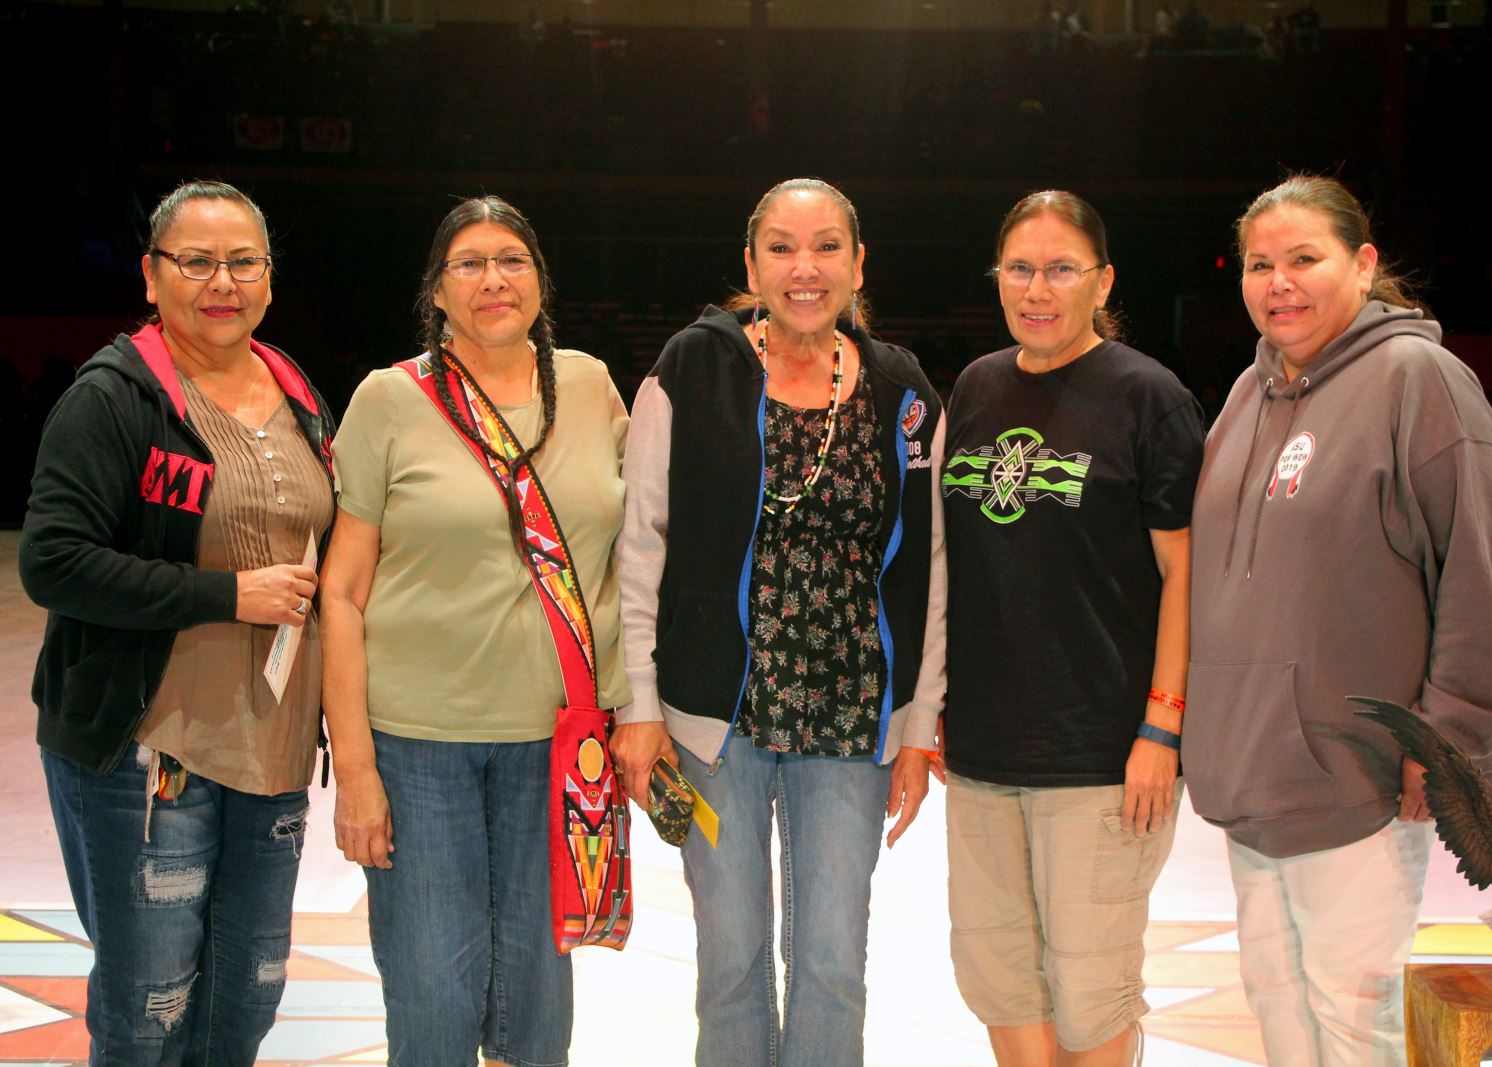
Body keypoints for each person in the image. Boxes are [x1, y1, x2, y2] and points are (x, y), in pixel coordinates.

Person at [1184, 175, 1492, 1067]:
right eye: (1261, 264)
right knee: (1279, 1012)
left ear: (1364, 263)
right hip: (1253, 772)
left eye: (1306, 258)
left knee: (1351, 1024)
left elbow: (1482, 574)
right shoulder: (1244, 397)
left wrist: (1447, 742)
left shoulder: (1420, 379)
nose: (1279, 282)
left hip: (1363, 776)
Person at [612, 177, 945, 1067]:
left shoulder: (901, 389)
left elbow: (929, 569)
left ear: (858, 262)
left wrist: (917, 721)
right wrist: (637, 705)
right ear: (751, 264)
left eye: (828, 246)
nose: (806, 268)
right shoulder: (690, 366)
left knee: (834, 963)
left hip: (850, 715)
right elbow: (640, 545)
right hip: (712, 720)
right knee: (731, 958)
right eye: (784, 248)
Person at [20, 179, 336, 1064]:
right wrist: (226, 595)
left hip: (270, 751)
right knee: (149, 1010)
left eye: (242, 262)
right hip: (148, 749)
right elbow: (52, 561)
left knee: (247, 994)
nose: (221, 281)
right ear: (152, 278)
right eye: (195, 262)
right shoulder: (114, 396)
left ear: (269, 278)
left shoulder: (296, 388)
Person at [319, 196, 629, 1067]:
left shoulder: (593, 384)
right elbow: (340, 593)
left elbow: (640, 550)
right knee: (431, 991)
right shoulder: (390, 399)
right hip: (420, 746)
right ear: (438, 293)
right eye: (469, 263)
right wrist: (355, 769)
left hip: (560, 743)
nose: (494, 278)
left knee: (538, 999)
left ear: (539, 280)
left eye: (513, 259)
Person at [939, 190, 1204, 1067]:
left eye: (1061, 269)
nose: (1037, 288)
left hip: (1102, 758)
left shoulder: (1147, 396)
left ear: (1103, 281)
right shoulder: (976, 386)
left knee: (1091, 992)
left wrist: (1162, 726)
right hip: (982, 755)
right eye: (1020, 268)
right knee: (998, 975)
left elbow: (1185, 573)